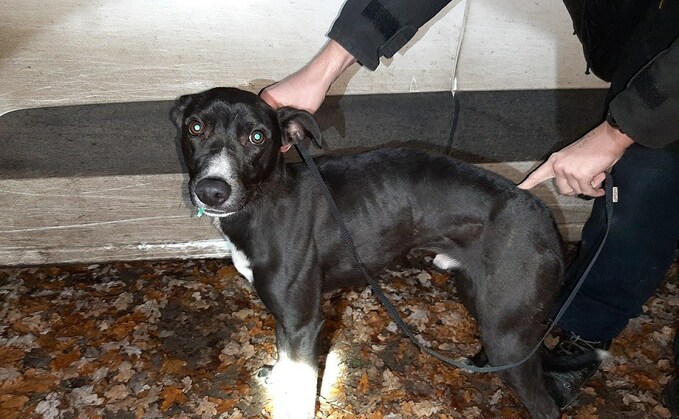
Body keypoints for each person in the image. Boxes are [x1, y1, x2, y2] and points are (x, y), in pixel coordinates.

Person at [260, 0, 679, 412]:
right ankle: (568, 331)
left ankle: (573, 342)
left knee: (645, 195)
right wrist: (325, 67)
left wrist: (616, 134)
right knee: (631, 206)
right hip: (651, 54)